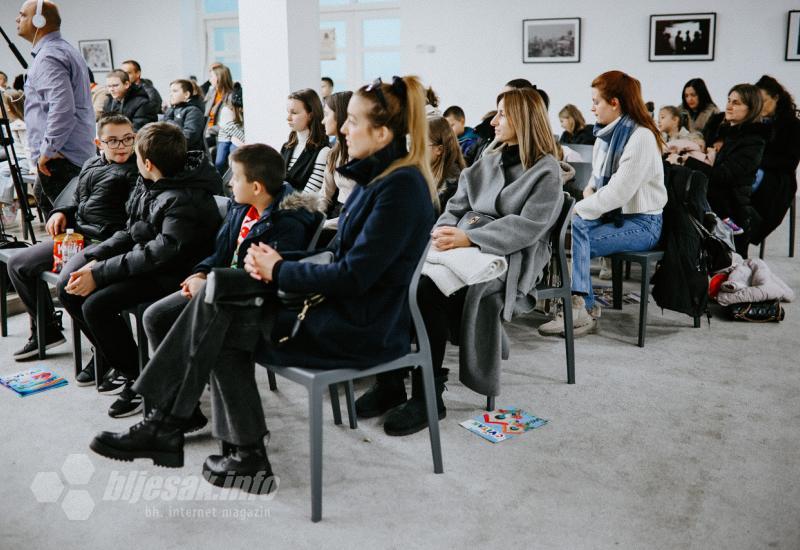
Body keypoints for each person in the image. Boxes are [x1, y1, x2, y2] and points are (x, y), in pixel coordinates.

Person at [87, 76, 436, 489]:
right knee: (218, 297)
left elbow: (354, 275)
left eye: (353, 121)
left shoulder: (399, 189)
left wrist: (279, 269)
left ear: (382, 132)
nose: (342, 128)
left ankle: (179, 428)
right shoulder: (377, 181)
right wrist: (274, 263)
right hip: (337, 308)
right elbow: (336, 258)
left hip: (359, 326)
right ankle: (222, 446)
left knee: (219, 317)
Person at [358, 87, 564, 435]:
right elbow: (454, 207)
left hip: (506, 259)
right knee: (394, 280)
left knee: (426, 289)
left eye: (502, 114)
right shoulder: (489, 158)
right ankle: (390, 382)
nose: (494, 121)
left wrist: (469, 236)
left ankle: (429, 395)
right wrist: (443, 233)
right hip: (462, 246)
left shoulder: (547, 172)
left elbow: (528, 228)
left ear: (524, 121)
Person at [140, 144, 322, 417]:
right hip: (219, 284)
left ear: (257, 187)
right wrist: (202, 272)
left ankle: (176, 410)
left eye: (236, 177)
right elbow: (221, 252)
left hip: (250, 297)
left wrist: (212, 282)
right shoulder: (242, 207)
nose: (229, 182)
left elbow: (266, 277)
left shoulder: (287, 222)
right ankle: (181, 408)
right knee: (155, 316)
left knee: (171, 321)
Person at [57, 122, 223, 418]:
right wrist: (94, 258)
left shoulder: (184, 197)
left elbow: (160, 254)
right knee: (72, 289)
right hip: (150, 264)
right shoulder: (150, 183)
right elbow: (132, 232)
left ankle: (138, 380)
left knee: (96, 305)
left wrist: (101, 273)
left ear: (147, 163)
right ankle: (124, 363)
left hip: (176, 274)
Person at [539, 70, 667, 337]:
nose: (592, 107)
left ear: (615, 103)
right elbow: (595, 186)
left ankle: (578, 310)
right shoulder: (604, 137)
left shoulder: (641, 137)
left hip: (644, 223)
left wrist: (574, 210)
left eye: (596, 101)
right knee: (569, 232)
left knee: (573, 238)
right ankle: (575, 306)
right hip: (614, 216)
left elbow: (618, 193)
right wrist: (583, 204)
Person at [7, 115, 139, 364]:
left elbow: (133, 221)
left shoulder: (137, 171)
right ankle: (47, 332)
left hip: (106, 242)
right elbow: (76, 198)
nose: (121, 146)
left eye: (127, 139)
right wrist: (61, 212)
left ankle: (104, 352)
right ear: (99, 143)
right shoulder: (90, 165)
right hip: (77, 236)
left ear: (135, 139)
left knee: (68, 283)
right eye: (112, 141)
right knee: (19, 264)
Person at [15, 0, 96, 213]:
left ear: (39, 20)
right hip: (65, 154)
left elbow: (62, 107)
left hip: (60, 157)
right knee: (49, 207)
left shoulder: (49, 56)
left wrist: (48, 149)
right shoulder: (62, 50)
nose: (17, 19)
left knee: (66, 226)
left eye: (23, 15)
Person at [683, 84, 768, 256]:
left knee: (730, 270)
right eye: (729, 100)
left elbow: (723, 175)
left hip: (732, 212)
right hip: (719, 205)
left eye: (736, 102)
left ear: (751, 108)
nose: (729, 106)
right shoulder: (732, 135)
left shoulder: (754, 141)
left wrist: (687, 161)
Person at [750, 75, 800, 245]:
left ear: (776, 98)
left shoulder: (793, 125)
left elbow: (790, 162)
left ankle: (745, 225)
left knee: (743, 181)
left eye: (763, 101)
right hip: (756, 170)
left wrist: (757, 160)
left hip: (778, 178)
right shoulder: (756, 122)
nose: (760, 106)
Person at [281, 88, 329, 194]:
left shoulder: (323, 151)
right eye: (288, 112)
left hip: (299, 209)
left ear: (310, 115)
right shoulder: (286, 147)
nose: (288, 118)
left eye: (294, 113)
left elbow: (307, 197)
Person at [320, 90, 355, 226]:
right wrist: (314, 219)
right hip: (337, 214)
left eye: (327, 115)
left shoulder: (360, 155)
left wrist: (325, 225)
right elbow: (325, 194)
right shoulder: (334, 153)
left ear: (341, 116)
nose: (323, 121)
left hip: (348, 218)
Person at [428, 116, 465, 209]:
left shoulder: (453, 186)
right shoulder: (426, 174)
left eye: (422, 144)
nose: (415, 150)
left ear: (439, 150)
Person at [163, 79, 205, 152]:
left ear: (186, 95)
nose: (171, 94)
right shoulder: (174, 109)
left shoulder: (194, 111)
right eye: (170, 91)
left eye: (175, 91)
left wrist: (169, 122)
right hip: (172, 150)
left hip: (185, 154)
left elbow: (189, 137)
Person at [214, 84, 245, 174]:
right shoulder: (226, 112)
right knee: (219, 161)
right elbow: (233, 129)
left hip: (233, 138)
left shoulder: (238, 112)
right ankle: (217, 176)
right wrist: (245, 139)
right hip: (224, 139)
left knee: (232, 152)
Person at [204, 64, 234, 146]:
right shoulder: (212, 93)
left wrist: (209, 130)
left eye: (211, 76)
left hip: (218, 135)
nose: (209, 80)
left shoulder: (230, 97)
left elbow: (228, 125)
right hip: (208, 132)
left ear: (219, 78)